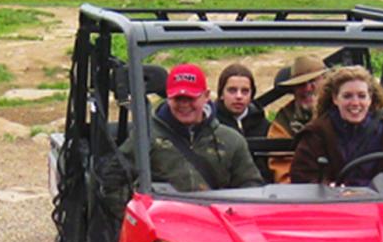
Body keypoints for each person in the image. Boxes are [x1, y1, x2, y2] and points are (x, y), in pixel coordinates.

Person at [101, 63, 262, 208]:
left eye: (191, 98)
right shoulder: (145, 137)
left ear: (206, 96)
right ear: (169, 97)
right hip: (162, 228)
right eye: (178, 98)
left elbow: (251, 187)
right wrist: (136, 217)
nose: (184, 105)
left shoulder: (231, 140)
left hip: (217, 227)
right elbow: (112, 181)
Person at [290, 65, 383, 188]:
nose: (355, 103)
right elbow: (302, 181)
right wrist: (326, 189)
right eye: (347, 96)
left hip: (382, 208)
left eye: (361, 96)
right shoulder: (315, 135)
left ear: (370, 98)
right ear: (335, 99)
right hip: (333, 210)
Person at [267, 55, 327, 183]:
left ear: (325, 82)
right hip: (300, 194)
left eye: (312, 82)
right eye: (300, 84)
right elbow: (282, 172)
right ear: (293, 89)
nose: (307, 89)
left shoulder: (343, 112)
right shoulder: (283, 121)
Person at [214, 64, 269, 138]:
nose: (239, 96)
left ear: (251, 95)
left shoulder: (263, 126)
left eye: (245, 91)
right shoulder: (209, 124)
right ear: (221, 94)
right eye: (232, 90)